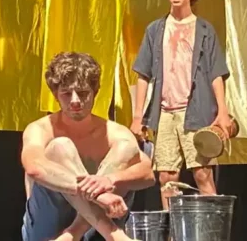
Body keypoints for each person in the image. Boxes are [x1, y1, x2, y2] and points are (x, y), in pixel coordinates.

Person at [21, 52, 155, 241]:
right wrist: (98, 195)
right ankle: (114, 235)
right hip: (50, 225)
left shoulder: (114, 132)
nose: (75, 100)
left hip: (91, 229)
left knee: (126, 148)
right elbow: (34, 167)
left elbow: (148, 173)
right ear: (55, 95)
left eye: (83, 93)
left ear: (95, 92)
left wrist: (110, 179)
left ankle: (73, 233)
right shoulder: (41, 128)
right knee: (60, 147)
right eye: (67, 94)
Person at [129, 0, 232, 210]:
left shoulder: (204, 30)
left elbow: (216, 73)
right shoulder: (155, 30)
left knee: (202, 173)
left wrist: (223, 111)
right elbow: (143, 74)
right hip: (165, 113)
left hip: (195, 110)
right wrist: (137, 116)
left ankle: (210, 227)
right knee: (167, 177)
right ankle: (173, 228)